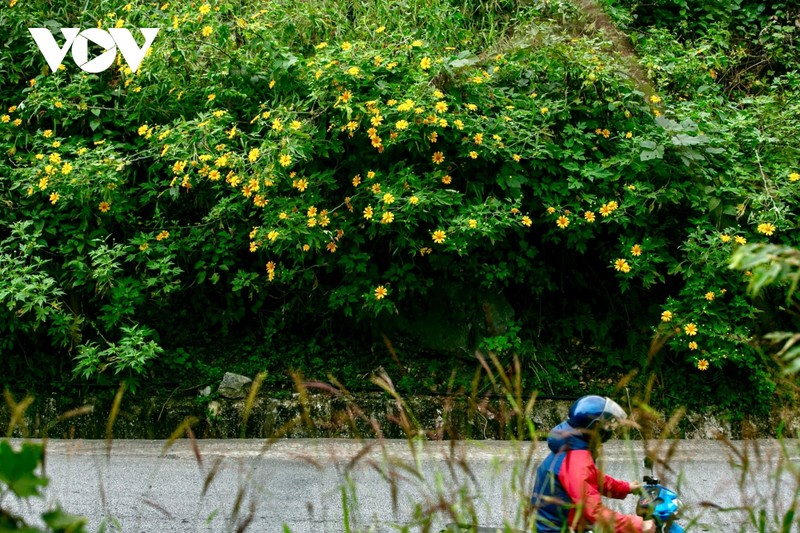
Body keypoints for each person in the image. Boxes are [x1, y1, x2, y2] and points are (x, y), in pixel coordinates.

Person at [530, 395, 656, 533]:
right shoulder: (576, 460)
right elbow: (594, 512)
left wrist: (626, 487)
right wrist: (637, 525)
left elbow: (592, 477)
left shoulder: (571, 446)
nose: (610, 429)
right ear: (595, 427)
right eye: (607, 424)